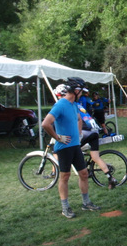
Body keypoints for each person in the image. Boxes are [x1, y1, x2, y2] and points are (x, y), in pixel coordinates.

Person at [42, 77, 100, 219]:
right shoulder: (61, 104)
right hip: (64, 147)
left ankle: (86, 203)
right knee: (65, 176)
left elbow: (79, 119)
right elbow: (46, 124)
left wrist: (79, 134)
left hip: (75, 146)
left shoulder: (74, 104)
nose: (82, 92)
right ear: (75, 90)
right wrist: (57, 137)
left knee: (84, 174)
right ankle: (65, 207)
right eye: (81, 90)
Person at [54, 84, 118, 190]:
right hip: (94, 131)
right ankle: (110, 178)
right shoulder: (77, 104)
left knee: (70, 150)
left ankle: (81, 168)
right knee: (95, 157)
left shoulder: (69, 105)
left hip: (85, 131)